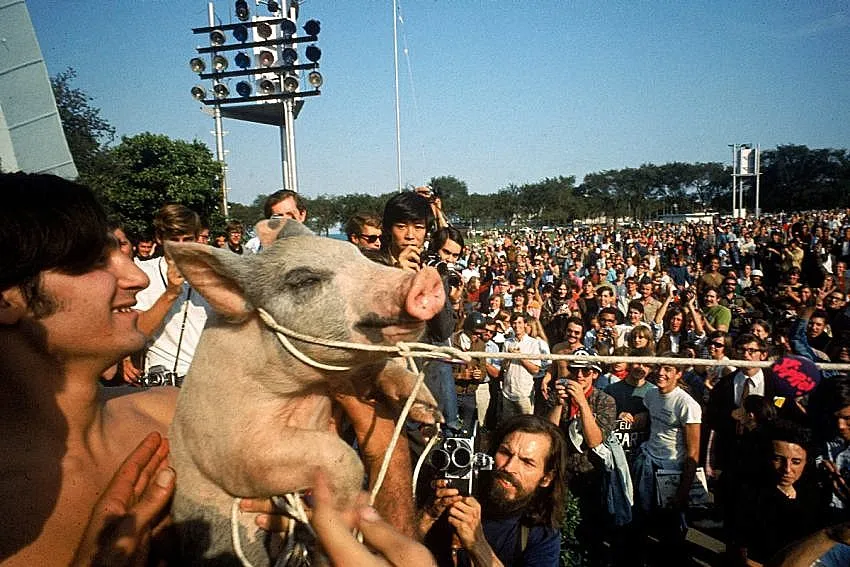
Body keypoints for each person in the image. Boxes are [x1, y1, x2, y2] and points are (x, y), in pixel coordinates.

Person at [0, 172, 433, 566]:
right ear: (6, 298)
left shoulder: (176, 413)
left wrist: (384, 447)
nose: (138, 278)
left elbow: (374, 535)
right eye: (91, 262)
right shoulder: (11, 505)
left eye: (121, 253)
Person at [419, 415, 567, 566]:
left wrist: (478, 545)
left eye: (527, 462)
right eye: (505, 452)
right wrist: (426, 518)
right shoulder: (447, 492)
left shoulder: (541, 535)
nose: (509, 467)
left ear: (546, 478)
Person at [545, 350, 617, 563]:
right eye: (575, 370)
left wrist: (583, 404)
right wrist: (558, 404)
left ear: (595, 374)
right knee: (557, 522)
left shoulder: (605, 401)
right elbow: (548, 434)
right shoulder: (558, 395)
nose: (579, 376)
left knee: (591, 528)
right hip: (562, 470)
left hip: (591, 472)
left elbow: (595, 441)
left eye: (586, 371)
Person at [632, 353, 702, 566]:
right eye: (659, 367)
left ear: (678, 374)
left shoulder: (687, 404)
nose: (661, 373)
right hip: (648, 463)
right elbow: (650, 419)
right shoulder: (651, 394)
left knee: (671, 530)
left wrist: (682, 492)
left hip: (671, 471)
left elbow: (693, 452)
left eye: (668, 369)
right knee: (643, 520)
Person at [133, 204, 214, 380]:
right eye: (174, 240)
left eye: (187, 239)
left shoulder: (213, 275)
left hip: (208, 378)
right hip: (163, 380)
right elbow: (138, 334)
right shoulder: (143, 273)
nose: (180, 247)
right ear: (159, 238)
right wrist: (171, 293)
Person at [501, 312, 543, 417]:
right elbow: (503, 367)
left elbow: (535, 370)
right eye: (514, 323)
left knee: (526, 423)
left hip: (524, 393)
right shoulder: (507, 342)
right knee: (508, 424)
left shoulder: (533, 343)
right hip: (507, 393)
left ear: (525, 324)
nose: (516, 326)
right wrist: (509, 356)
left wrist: (520, 357)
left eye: (519, 323)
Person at [245, 189, 308, 253]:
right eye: (279, 217)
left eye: (290, 215)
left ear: (302, 215)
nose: (286, 221)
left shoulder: (312, 246)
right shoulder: (256, 247)